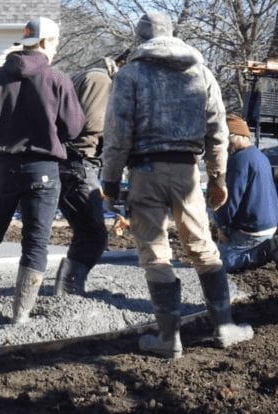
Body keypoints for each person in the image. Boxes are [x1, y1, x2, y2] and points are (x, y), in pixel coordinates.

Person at [101, 13, 253, 359]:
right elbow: (218, 131)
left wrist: (110, 182)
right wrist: (217, 178)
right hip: (187, 172)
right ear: (173, 35)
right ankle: (225, 326)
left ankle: (168, 339)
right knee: (202, 247)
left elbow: (117, 135)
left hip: (145, 172)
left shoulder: (130, 75)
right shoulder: (201, 72)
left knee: (155, 253)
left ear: (139, 39)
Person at [0, 17, 86, 323]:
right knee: (36, 242)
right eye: (55, 42)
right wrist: (52, 137)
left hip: (3, 167)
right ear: (45, 43)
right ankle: (21, 316)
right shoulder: (57, 80)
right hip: (43, 169)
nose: (55, 49)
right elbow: (75, 126)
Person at [54, 50, 129, 296]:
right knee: (93, 235)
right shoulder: (101, 81)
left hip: (70, 163)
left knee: (86, 232)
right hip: (79, 163)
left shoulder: (84, 76)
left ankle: (68, 287)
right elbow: (92, 126)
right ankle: (68, 290)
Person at [213, 114, 278, 272]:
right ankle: (265, 247)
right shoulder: (259, 156)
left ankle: (262, 252)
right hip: (269, 223)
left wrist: (221, 226)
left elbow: (229, 201)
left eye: (228, 137)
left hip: (251, 230)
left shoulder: (240, 159)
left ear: (241, 135)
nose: (226, 144)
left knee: (217, 263)